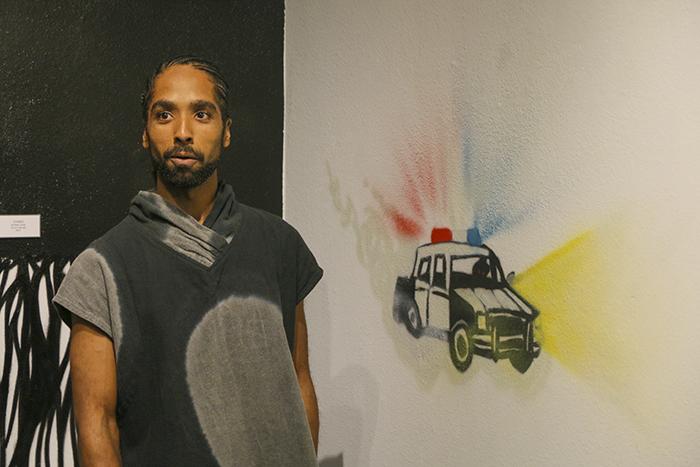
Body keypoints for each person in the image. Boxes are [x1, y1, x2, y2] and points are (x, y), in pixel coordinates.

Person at [51, 56, 323, 466]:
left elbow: (299, 380)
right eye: (164, 115)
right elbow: (97, 424)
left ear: (226, 131)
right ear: (145, 134)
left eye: (201, 113)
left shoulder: (279, 244)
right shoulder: (101, 268)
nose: (182, 132)